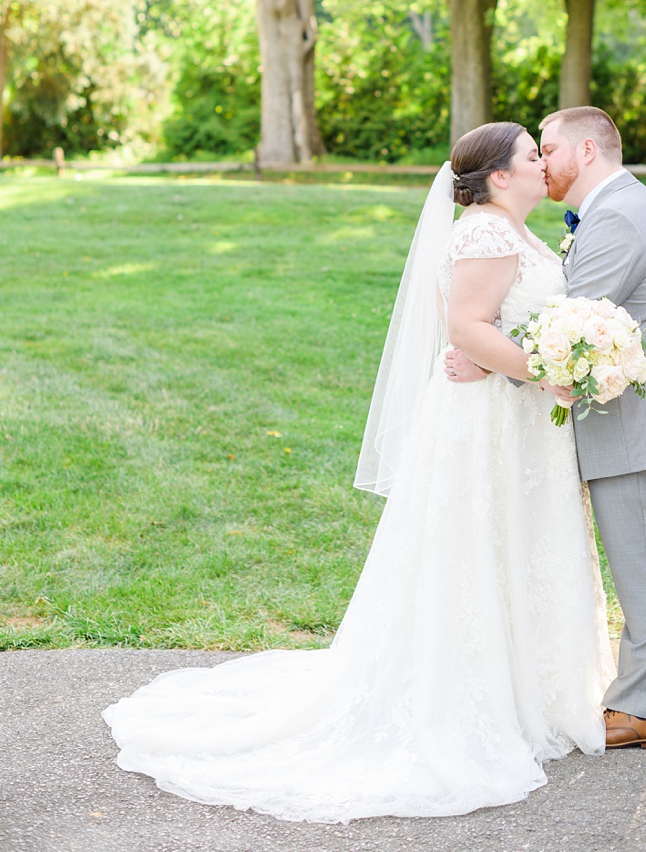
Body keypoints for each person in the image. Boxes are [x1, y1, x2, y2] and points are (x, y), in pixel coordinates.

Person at [105, 122, 615, 822]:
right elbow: (467, 327)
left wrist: (549, 360)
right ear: (499, 176)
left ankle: (531, 691)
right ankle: (471, 696)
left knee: (513, 545)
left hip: (516, 421)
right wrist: (548, 369)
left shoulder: (518, 232)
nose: (540, 161)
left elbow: (497, 325)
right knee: (477, 548)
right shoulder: (485, 234)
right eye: (531, 154)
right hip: (486, 425)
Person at [446, 106, 646, 751]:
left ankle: (642, 710)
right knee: (644, 563)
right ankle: (636, 701)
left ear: (587, 150)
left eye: (549, 148)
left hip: (644, 429)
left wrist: (486, 363)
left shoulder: (617, 216)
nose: (542, 162)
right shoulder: (611, 208)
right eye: (533, 152)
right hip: (640, 424)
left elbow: (566, 323)